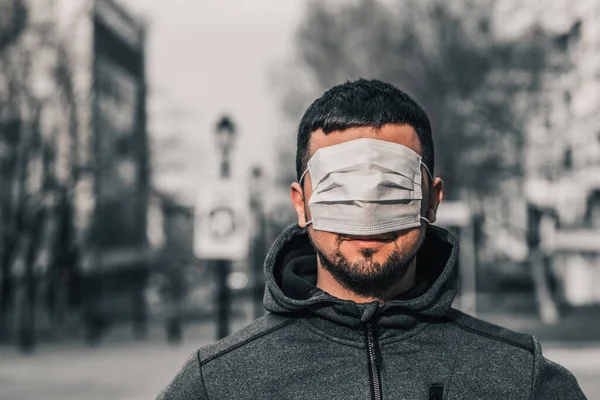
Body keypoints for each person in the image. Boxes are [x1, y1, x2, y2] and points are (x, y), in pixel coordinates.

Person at [158, 79, 586, 399]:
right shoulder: (216, 386)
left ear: (431, 200)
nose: (366, 217)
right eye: (339, 191)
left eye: (392, 190)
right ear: (301, 203)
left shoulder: (521, 381)